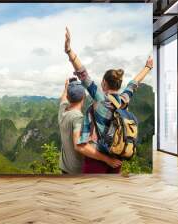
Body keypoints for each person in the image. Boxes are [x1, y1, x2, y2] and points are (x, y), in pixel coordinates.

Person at [64, 27, 153, 173]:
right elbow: (133, 84)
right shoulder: (124, 100)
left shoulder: (100, 99)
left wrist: (69, 51)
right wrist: (148, 67)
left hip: (96, 160)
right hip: (117, 158)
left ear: (104, 83)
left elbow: (83, 74)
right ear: (118, 85)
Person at [58, 77, 122, 174]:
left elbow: (63, 98)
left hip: (64, 168)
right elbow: (80, 146)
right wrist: (107, 160)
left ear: (68, 97)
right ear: (84, 96)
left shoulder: (62, 111)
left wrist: (67, 87)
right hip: (77, 171)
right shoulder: (78, 119)